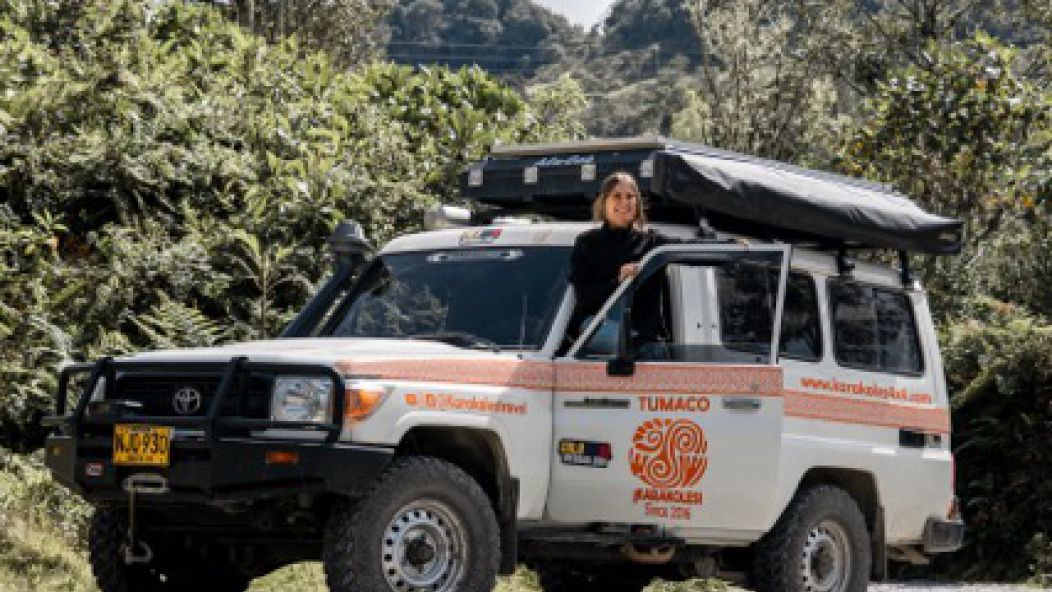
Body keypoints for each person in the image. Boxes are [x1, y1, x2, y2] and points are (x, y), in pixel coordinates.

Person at [567, 171, 673, 349]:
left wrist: (733, 244)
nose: (625, 203)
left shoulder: (651, 241)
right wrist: (618, 281)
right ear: (603, 202)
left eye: (630, 196)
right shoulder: (587, 243)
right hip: (596, 348)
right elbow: (585, 298)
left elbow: (692, 249)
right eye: (617, 196)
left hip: (648, 347)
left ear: (637, 202)